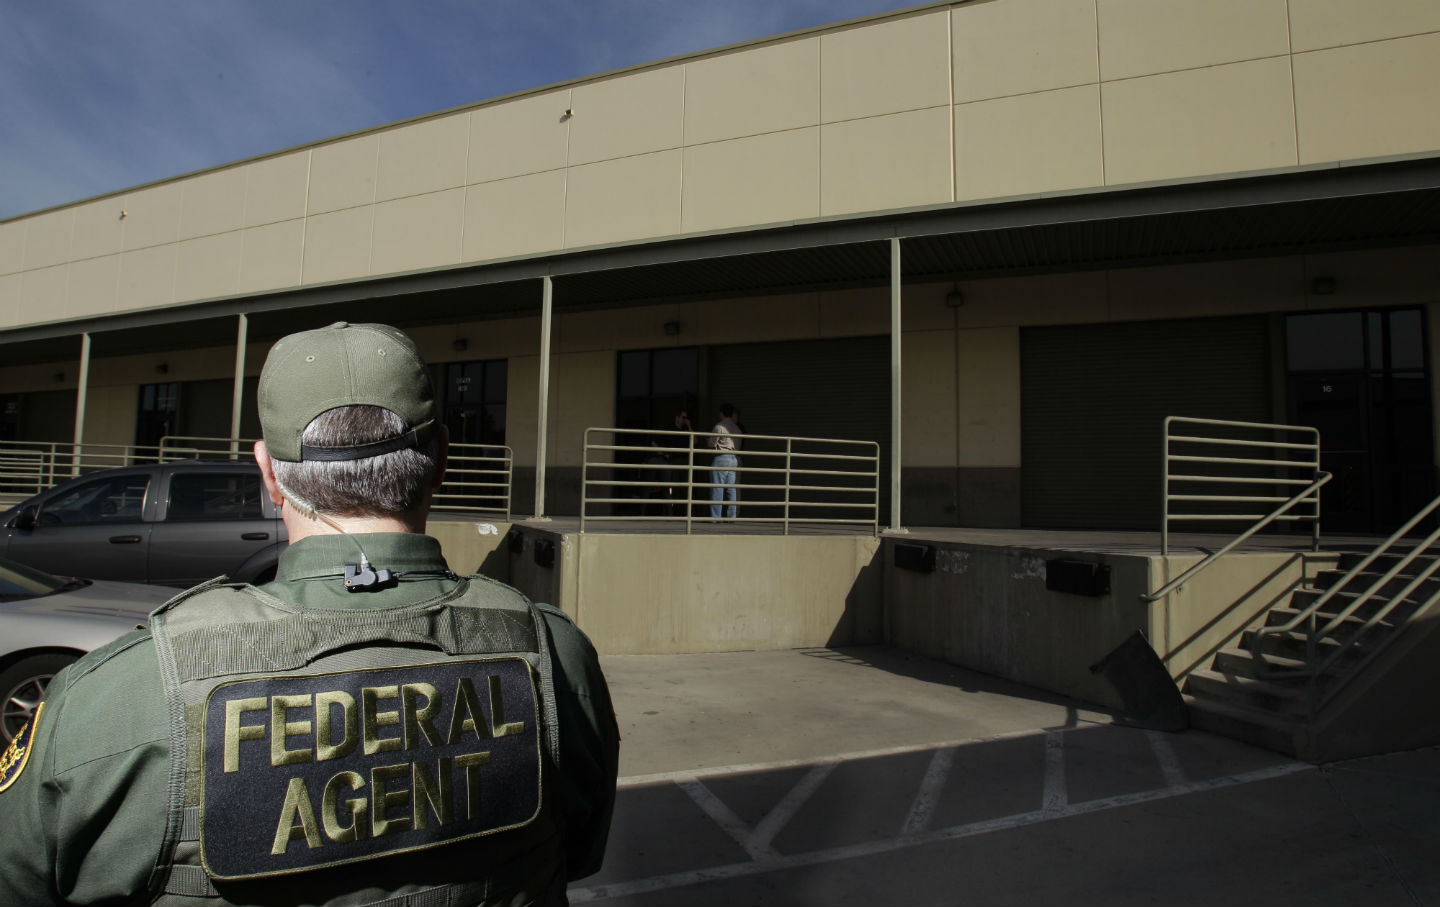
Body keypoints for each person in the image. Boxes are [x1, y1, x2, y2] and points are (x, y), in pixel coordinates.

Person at [0, 322, 620, 906]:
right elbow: (577, 851)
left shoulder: (107, 701)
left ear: (267, 471)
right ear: (441, 458)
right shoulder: (555, 656)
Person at [708, 403, 742, 520]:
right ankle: (731, 516)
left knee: (718, 487)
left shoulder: (719, 426)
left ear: (721, 413)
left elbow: (712, 443)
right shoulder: (737, 428)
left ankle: (716, 517)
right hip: (734, 458)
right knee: (731, 488)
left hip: (721, 457)